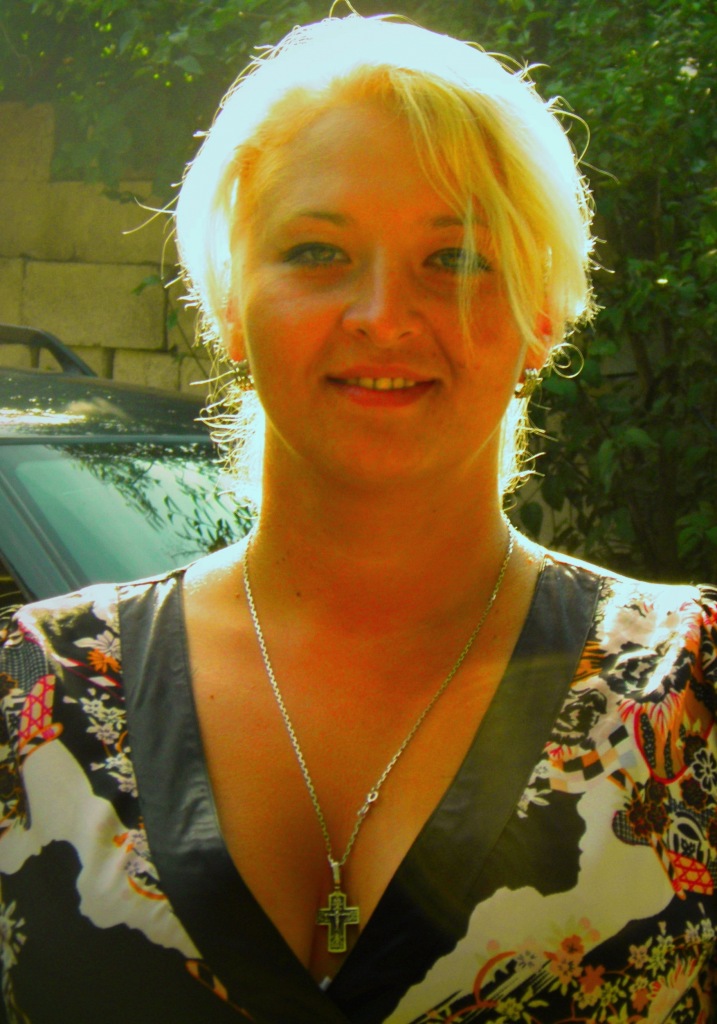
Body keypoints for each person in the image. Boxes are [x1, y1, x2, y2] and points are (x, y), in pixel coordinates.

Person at [0, 12, 715, 1023]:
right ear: (229, 304)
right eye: (316, 250)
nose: (382, 314)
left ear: (541, 316)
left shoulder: (692, 693)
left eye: (454, 258)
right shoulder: (29, 692)